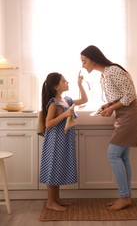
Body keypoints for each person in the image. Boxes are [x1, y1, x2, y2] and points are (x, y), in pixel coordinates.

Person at [80, 45, 137, 211]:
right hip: (124, 114)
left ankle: (124, 197)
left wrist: (111, 109)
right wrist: (107, 105)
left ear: (93, 59)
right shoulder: (105, 74)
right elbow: (119, 96)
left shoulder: (112, 70)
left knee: (113, 154)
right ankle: (126, 196)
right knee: (123, 157)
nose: (83, 65)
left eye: (84, 61)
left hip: (129, 115)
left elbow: (130, 95)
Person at [39, 71, 88, 211]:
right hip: (54, 141)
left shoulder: (66, 100)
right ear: (56, 87)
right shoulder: (54, 103)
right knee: (53, 168)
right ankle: (50, 202)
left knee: (58, 168)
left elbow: (84, 100)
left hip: (64, 140)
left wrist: (80, 84)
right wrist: (65, 114)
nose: (67, 83)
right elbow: (48, 124)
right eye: (64, 81)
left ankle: (57, 199)